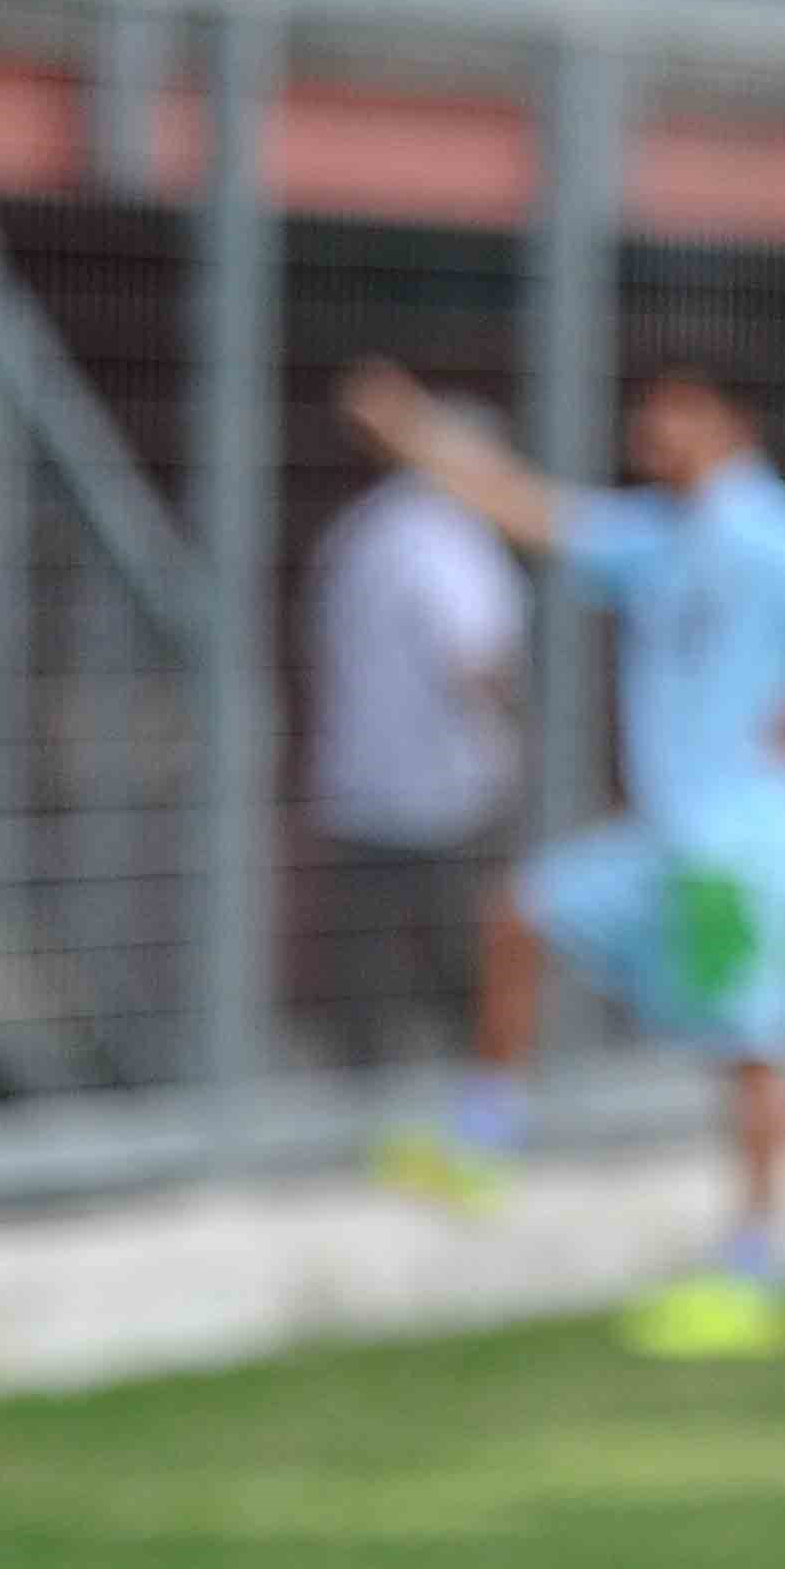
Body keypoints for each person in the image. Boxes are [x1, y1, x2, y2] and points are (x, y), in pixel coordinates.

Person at [341, 350, 785, 1362]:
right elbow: (522, 506)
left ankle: (753, 1270)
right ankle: (485, 1140)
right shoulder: (652, 536)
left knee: (751, 1047)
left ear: (731, 425)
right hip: (667, 836)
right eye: (647, 416)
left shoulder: (773, 532)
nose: (652, 435)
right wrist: (413, 434)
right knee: (523, 913)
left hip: (746, 843)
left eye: (677, 415)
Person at [303, 400, 532, 1068]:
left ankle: (362, 1093)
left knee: (365, 963)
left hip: (356, 777)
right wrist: (524, 746)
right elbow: (476, 662)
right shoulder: (449, 538)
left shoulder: (361, 528)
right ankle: (483, 1100)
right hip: (449, 790)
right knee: (470, 963)